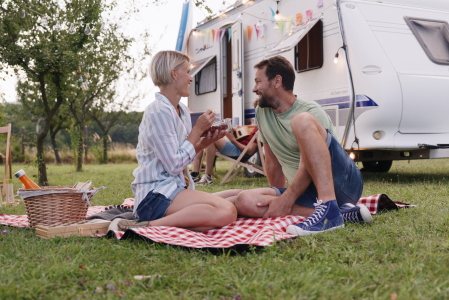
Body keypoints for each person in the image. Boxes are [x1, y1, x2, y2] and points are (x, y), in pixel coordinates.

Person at [233, 56, 369, 236]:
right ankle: (343, 215)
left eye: (258, 81)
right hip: (306, 192)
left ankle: (328, 206)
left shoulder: (311, 112)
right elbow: (273, 162)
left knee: (301, 121)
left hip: (342, 183)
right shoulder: (262, 112)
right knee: (245, 201)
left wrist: (288, 198)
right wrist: (280, 198)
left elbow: (313, 161)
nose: (254, 88)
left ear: (277, 81)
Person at [120, 50, 237, 232]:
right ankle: (146, 226)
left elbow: (182, 156)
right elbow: (174, 165)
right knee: (226, 209)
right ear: (174, 73)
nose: (191, 78)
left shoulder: (180, 109)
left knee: (236, 197)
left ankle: (182, 220)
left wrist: (205, 142)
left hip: (174, 189)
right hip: (154, 197)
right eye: (187, 72)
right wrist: (197, 129)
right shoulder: (158, 111)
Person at [192, 126, 259, 185]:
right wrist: (237, 130)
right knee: (202, 137)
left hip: (240, 152)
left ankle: (207, 177)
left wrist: (232, 140)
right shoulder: (258, 126)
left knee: (210, 138)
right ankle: (195, 175)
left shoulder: (259, 130)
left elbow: (250, 151)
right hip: (237, 147)